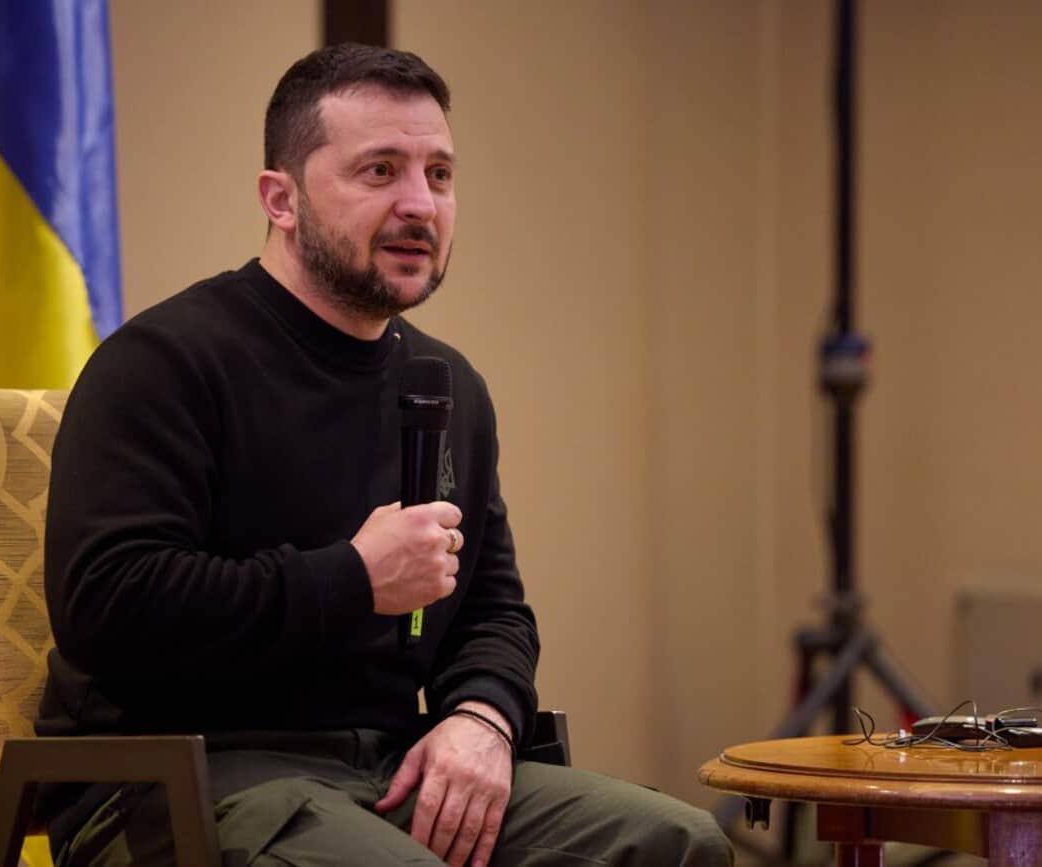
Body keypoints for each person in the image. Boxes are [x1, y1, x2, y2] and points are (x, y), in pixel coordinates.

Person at [37, 43, 732, 867]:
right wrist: (354, 578)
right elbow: (108, 605)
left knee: (678, 842)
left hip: (388, 769)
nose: (420, 205)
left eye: (439, 174)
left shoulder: (447, 384)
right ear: (281, 199)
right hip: (185, 779)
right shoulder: (165, 362)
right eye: (380, 171)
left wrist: (480, 718)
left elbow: (492, 612)